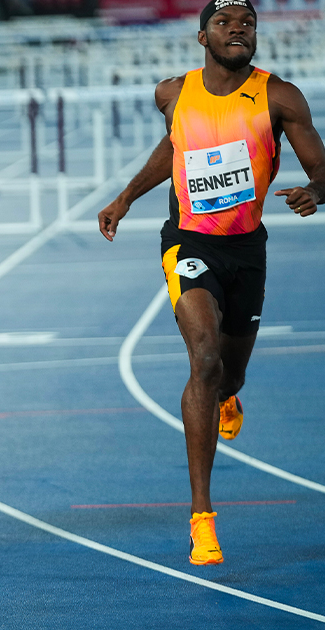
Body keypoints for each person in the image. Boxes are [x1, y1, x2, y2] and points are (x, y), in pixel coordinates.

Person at [97, 0, 324, 566]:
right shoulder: (173, 93)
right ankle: (202, 517)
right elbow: (174, 147)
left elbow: (322, 167)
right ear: (203, 37)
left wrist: (317, 193)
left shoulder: (280, 96)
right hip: (188, 243)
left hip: (246, 250)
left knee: (230, 369)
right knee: (203, 357)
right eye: (225, 23)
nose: (238, 29)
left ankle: (227, 395)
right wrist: (125, 198)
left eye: (247, 22)